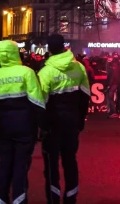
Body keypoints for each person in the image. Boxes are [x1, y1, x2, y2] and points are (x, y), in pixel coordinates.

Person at [0, 40, 46, 204]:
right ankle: (19, 200)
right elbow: (37, 102)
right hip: (25, 127)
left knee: (4, 165)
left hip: (4, 129)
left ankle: (1, 199)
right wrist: (42, 126)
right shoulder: (26, 72)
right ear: (16, 52)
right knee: (20, 166)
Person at [38, 34, 91, 203]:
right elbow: (85, 96)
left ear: (49, 49)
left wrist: (43, 126)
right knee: (70, 161)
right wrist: (81, 119)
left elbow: (41, 102)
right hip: (72, 122)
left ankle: (53, 199)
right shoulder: (79, 67)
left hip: (53, 125)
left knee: (51, 165)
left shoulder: (46, 72)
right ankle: (71, 198)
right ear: (64, 46)